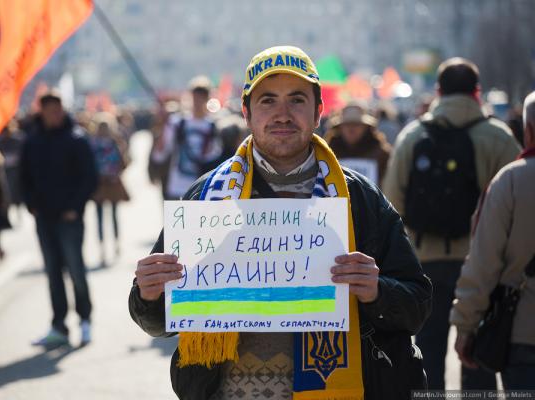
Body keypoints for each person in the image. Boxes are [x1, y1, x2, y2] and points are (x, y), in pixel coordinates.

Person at [129, 46, 432, 400]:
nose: (282, 114)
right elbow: (156, 320)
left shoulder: (359, 199)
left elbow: (418, 304)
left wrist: (377, 291)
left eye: (297, 100)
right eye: (268, 101)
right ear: (246, 112)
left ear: (319, 111)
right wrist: (150, 294)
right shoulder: (207, 196)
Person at [383, 57, 521, 390]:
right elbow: (519, 202)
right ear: (477, 91)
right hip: (482, 265)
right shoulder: (499, 138)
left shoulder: (413, 135)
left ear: (438, 91)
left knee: (428, 354)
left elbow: (391, 202)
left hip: (424, 261)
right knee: (478, 355)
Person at [450, 91, 535, 390]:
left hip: (524, 332)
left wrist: (466, 324)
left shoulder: (510, 181)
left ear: (528, 131)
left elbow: (484, 261)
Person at [20, 92, 98, 347]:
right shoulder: (31, 141)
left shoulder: (76, 139)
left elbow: (89, 177)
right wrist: (31, 204)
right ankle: (59, 326)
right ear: (41, 111)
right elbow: (23, 177)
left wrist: (75, 207)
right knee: (53, 273)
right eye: (49, 109)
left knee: (76, 269)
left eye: (58, 109)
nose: (54, 114)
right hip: (44, 217)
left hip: (70, 218)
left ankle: (85, 320)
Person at [150, 76, 223, 200]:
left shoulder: (213, 127)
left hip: (202, 189)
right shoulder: (176, 123)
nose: (198, 101)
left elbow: (215, 158)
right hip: (177, 188)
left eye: (202, 97)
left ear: (207, 98)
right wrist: (163, 124)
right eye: (195, 97)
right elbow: (159, 155)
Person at [89, 112, 130, 265]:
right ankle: (102, 248)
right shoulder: (92, 144)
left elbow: (123, 162)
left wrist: (116, 173)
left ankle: (116, 244)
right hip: (99, 184)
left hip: (112, 183)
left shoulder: (114, 142)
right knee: (99, 217)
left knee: (113, 215)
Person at [324, 101, 391, 186]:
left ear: (366, 128)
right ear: (339, 128)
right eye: (347, 125)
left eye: (356, 124)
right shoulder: (326, 154)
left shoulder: (382, 154)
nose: (351, 129)